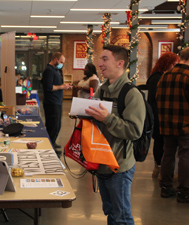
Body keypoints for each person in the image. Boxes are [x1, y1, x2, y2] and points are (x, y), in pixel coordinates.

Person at [85, 45, 145, 224]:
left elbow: (135, 131)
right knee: (110, 211)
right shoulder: (102, 90)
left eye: (105, 59)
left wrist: (108, 118)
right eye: (99, 59)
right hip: (101, 161)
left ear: (120, 63)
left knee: (122, 216)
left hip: (119, 165)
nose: (99, 64)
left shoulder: (131, 94)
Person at [156, 47, 189, 203]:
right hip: (185, 124)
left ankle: (166, 187)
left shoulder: (165, 76)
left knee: (167, 155)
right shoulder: (188, 76)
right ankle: (184, 191)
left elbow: (157, 98)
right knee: (185, 156)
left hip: (166, 123)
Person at [146, 52, 180, 179]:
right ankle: (159, 168)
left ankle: (159, 168)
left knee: (161, 143)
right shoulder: (158, 77)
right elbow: (156, 99)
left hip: (159, 115)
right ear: (168, 63)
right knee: (160, 143)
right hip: (158, 115)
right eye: (174, 64)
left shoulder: (158, 76)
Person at [41, 52, 72, 155]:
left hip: (57, 101)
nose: (61, 64)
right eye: (61, 62)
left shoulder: (56, 70)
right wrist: (62, 87)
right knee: (52, 125)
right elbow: (48, 87)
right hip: (51, 102)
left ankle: (52, 142)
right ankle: (49, 147)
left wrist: (64, 85)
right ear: (55, 60)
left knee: (57, 125)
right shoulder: (49, 71)